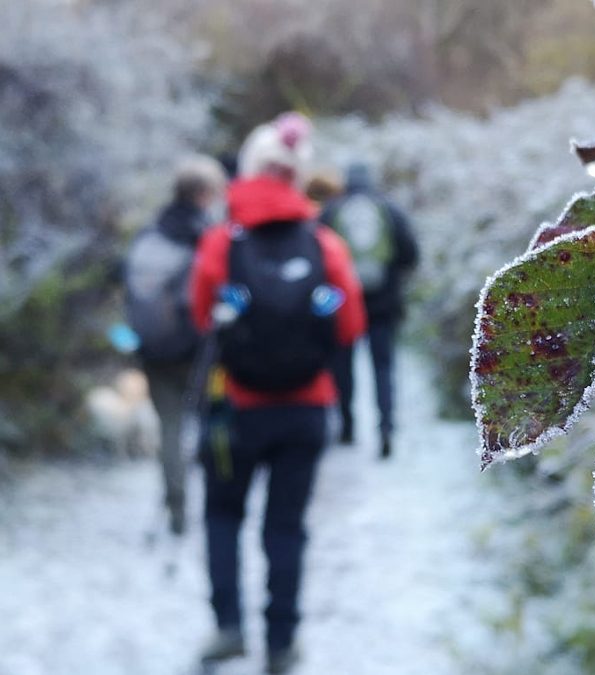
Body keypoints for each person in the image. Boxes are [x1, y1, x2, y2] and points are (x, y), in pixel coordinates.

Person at [190, 112, 366, 674]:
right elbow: (349, 325)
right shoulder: (324, 242)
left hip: (234, 409)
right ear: (298, 175)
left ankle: (228, 627)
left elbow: (200, 316)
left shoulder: (223, 242)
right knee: (286, 527)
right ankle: (283, 643)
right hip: (306, 407)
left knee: (222, 517)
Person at [124, 154, 227, 535]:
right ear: (203, 192)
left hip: (152, 348)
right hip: (198, 348)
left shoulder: (150, 234)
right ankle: (216, 504)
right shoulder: (207, 235)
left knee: (169, 427)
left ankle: (176, 505)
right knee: (209, 424)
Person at [320, 163, 419, 458]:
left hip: (343, 305)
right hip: (384, 304)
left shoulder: (331, 211)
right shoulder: (389, 210)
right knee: (383, 368)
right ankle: (386, 428)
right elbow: (410, 253)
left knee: (342, 366)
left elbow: (318, 255)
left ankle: (348, 425)